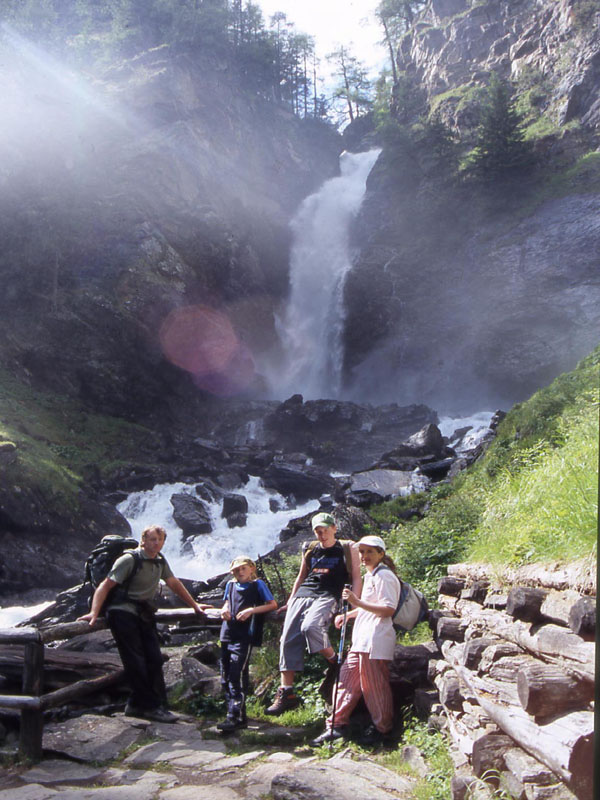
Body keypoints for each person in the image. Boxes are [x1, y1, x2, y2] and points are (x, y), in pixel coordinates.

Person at [78, 524, 208, 723]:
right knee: (135, 661)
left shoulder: (159, 561)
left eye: (160, 540)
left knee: (154, 659)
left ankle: (144, 704)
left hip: (143, 613)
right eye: (152, 539)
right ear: (143, 540)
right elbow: (105, 586)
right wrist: (94, 613)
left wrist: (195, 605)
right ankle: (149, 707)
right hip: (122, 613)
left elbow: (173, 583)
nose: (156, 543)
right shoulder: (129, 560)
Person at [266, 511, 361, 715]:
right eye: (318, 531)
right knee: (287, 639)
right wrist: (290, 601)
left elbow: (356, 577)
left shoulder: (347, 547)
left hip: (328, 595)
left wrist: (356, 603)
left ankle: (335, 660)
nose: (322, 534)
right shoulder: (309, 548)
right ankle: (287, 692)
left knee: (311, 627)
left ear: (334, 528)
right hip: (303, 594)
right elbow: (301, 577)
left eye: (325, 530)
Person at [310, 534, 401, 747]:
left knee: (374, 687)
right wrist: (349, 614)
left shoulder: (385, 576)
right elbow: (369, 606)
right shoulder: (371, 575)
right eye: (361, 552)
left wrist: (356, 601)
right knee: (345, 681)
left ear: (381, 553)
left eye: (370, 551)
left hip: (376, 640)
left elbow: (388, 609)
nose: (364, 556)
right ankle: (336, 725)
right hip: (362, 639)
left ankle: (383, 730)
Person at [217, 555, 277, 732]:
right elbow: (227, 602)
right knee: (225, 675)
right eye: (236, 570)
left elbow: (272, 604)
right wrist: (224, 609)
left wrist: (252, 610)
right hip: (227, 633)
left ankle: (233, 717)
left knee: (236, 673)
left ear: (251, 568)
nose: (240, 572)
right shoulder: (230, 585)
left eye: (243, 568)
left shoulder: (258, 585)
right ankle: (237, 716)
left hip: (245, 635)